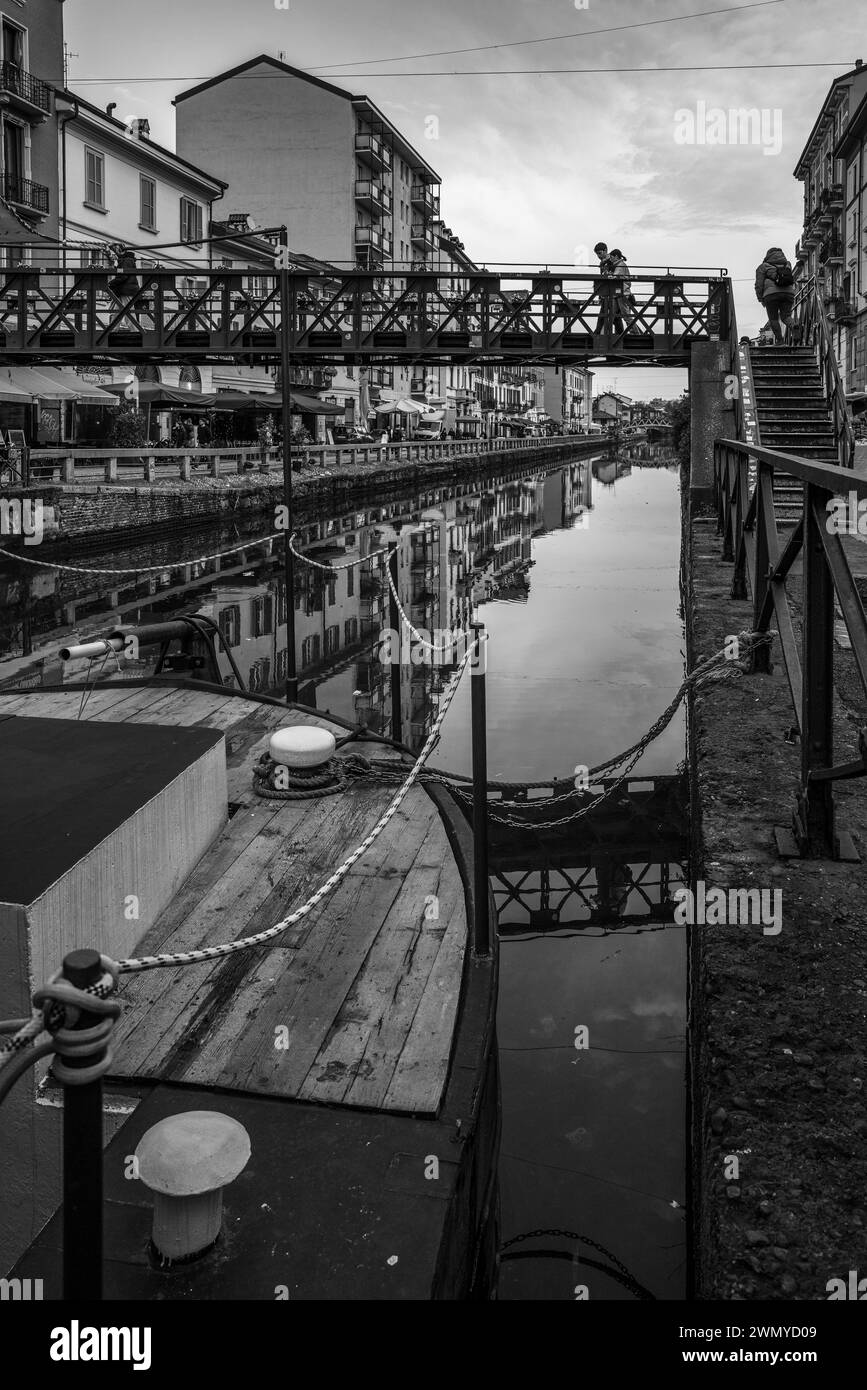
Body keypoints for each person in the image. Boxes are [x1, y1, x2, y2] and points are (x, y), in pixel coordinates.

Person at [754, 247, 795, 345]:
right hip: (788, 293)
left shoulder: (763, 267)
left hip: (771, 295)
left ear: (768, 255)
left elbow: (759, 285)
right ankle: (794, 326)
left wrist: (760, 298)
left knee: (773, 319)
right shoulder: (787, 264)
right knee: (786, 316)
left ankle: (780, 341)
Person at [609, 249, 634, 334]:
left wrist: (608, 275)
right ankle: (606, 333)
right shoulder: (620, 265)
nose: (610, 259)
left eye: (611, 257)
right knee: (612, 315)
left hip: (622, 293)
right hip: (619, 293)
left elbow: (615, 277)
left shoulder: (620, 265)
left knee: (626, 315)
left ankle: (635, 333)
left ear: (616, 256)